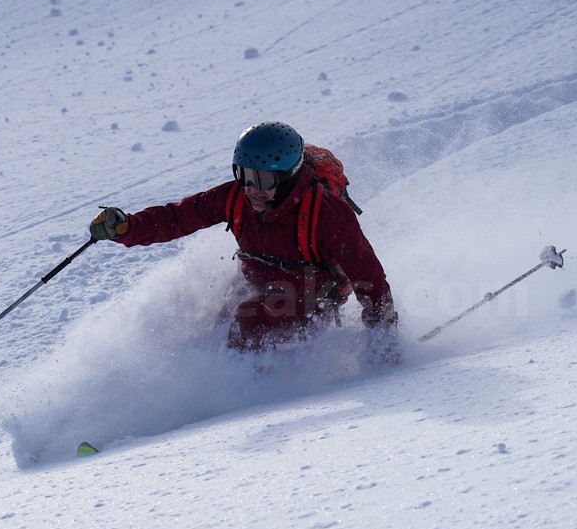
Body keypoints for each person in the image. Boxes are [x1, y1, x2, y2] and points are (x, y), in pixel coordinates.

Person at [89, 121, 398, 359]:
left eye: (263, 179)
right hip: (261, 282)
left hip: (312, 292)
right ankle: (214, 381)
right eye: (244, 174)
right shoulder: (236, 196)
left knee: (248, 323)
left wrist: (383, 344)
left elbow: (369, 278)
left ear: (288, 176)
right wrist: (127, 228)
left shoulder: (328, 213)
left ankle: (248, 399)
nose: (252, 188)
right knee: (218, 325)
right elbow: (178, 217)